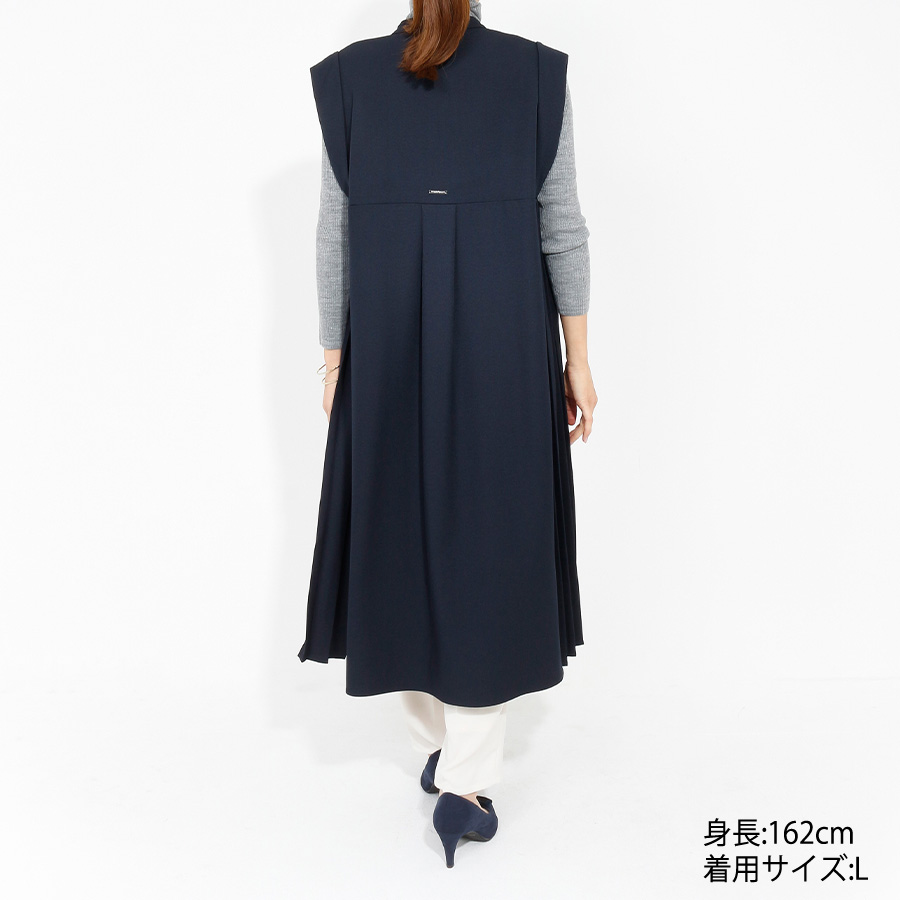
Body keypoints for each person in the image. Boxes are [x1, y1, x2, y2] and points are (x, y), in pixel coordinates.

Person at [299, 0, 597, 867]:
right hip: (503, 341)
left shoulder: (349, 78)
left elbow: (335, 232)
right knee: (490, 537)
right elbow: (562, 225)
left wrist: (334, 357)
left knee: (395, 533)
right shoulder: (536, 74)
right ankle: (465, 782)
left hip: (385, 340)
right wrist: (578, 358)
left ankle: (444, 750)